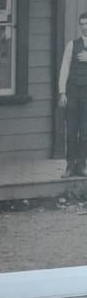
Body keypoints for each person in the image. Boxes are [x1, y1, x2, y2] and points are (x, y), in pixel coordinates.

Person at [58, 12, 87, 177]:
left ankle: (82, 165)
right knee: (71, 131)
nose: (85, 27)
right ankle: (70, 165)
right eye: (82, 24)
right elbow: (64, 69)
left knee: (85, 132)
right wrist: (62, 92)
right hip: (73, 92)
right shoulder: (72, 45)